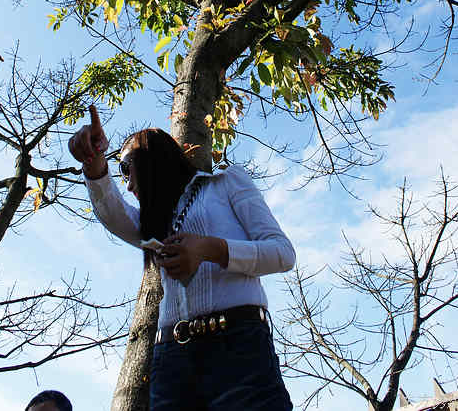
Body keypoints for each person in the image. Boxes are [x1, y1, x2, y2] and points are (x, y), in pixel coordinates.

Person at [68, 105, 296, 410]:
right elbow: (112, 212)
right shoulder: (155, 224)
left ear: (152, 158)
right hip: (171, 361)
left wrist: (209, 249)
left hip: (239, 351)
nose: (128, 183)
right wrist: (94, 160)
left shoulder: (225, 184)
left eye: (126, 168)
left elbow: (282, 253)